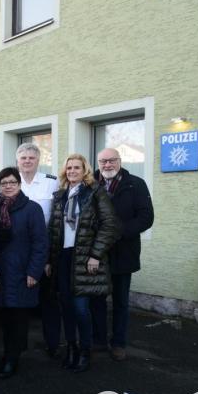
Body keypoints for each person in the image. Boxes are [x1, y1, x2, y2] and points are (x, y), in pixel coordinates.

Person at [46, 154, 120, 373]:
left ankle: (85, 351)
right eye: (68, 167)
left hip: (84, 259)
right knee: (66, 309)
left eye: (76, 167)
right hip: (63, 258)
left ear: (84, 170)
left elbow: (110, 226)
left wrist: (96, 255)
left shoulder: (96, 193)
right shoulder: (60, 195)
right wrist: (50, 260)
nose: (72, 171)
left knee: (80, 310)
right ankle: (71, 348)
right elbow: (53, 230)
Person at [91, 148, 154, 361]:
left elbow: (146, 217)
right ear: (97, 163)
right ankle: (98, 340)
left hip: (123, 251)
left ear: (119, 161)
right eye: (103, 161)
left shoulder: (135, 184)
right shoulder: (90, 184)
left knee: (120, 301)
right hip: (97, 254)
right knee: (97, 300)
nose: (107, 165)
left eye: (111, 161)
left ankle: (118, 343)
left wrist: (118, 233)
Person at [0, 167, 48, 379]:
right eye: (4, 182)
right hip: (1, 273)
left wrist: (34, 271)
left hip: (23, 273)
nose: (8, 186)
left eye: (12, 182)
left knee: (18, 320)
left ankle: (12, 360)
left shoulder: (32, 209)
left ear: (19, 184)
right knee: (5, 318)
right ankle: (7, 355)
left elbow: (40, 244)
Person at [15, 143, 61, 357]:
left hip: (46, 248)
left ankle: (52, 344)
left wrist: (50, 256)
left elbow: (57, 219)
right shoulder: (10, 183)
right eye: (23, 158)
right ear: (17, 161)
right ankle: (20, 345)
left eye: (31, 158)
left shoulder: (52, 183)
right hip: (20, 250)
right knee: (21, 299)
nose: (27, 161)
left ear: (38, 160)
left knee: (49, 300)